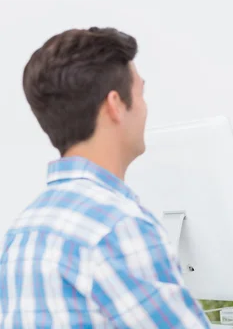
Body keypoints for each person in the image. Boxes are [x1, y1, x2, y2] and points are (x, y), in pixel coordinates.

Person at [0, 28, 211, 328]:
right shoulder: (118, 228)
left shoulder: (24, 230)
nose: (145, 108)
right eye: (141, 93)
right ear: (115, 105)